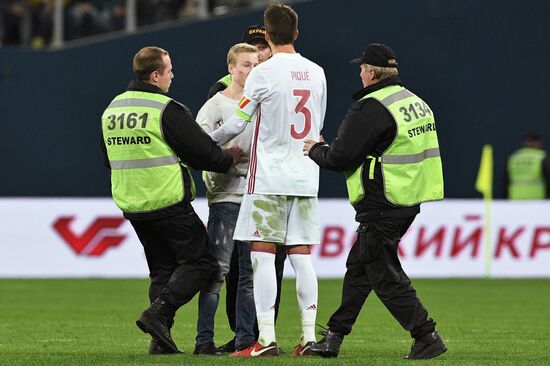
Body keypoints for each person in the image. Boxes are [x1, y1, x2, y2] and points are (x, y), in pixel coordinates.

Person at [303, 43, 446, 360]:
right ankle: (334, 338)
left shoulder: (371, 107)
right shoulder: (414, 102)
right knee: (360, 269)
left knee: (383, 273)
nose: (359, 72)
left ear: (369, 72)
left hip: (382, 202)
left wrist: (314, 149)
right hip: (406, 198)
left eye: (361, 68)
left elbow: (340, 158)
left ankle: (426, 335)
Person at [100, 46, 244, 354]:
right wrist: (227, 159)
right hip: (166, 199)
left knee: (163, 270)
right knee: (203, 263)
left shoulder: (113, 109)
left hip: (132, 204)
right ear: (155, 76)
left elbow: (108, 158)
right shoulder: (165, 108)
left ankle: (159, 341)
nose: (172, 75)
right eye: (168, 70)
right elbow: (200, 152)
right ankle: (159, 313)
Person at [209, 2, 327, 357]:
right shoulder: (317, 72)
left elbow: (236, 123)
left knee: (261, 255)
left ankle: (266, 339)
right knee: (301, 256)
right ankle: (308, 338)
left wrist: (205, 140)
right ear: (296, 33)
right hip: (306, 174)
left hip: (270, 177)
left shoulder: (264, 72)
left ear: (268, 36)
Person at [206, 24, 288, 354]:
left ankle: (263, 332)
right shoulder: (223, 91)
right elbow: (213, 135)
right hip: (237, 188)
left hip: (269, 186)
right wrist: (218, 154)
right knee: (238, 271)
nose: (261, 53)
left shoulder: (280, 84)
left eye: (263, 46)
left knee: (270, 264)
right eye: (254, 48)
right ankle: (241, 332)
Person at [193, 43, 259, 355]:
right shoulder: (215, 107)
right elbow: (197, 146)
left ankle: (246, 340)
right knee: (216, 273)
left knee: (248, 275)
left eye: (256, 64)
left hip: (255, 196)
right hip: (225, 198)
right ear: (231, 68)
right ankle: (203, 341)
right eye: (246, 65)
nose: (251, 70)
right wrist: (224, 156)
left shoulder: (260, 104)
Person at [207, 25, 272, 99]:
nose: (256, 53)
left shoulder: (281, 78)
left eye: (262, 47)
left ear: (271, 51)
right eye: (250, 48)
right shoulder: (221, 87)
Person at [505, 134, 550, 199]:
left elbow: (505, 182)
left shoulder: (513, 158)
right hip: (537, 198)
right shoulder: (542, 158)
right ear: (538, 144)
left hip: (515, 198)